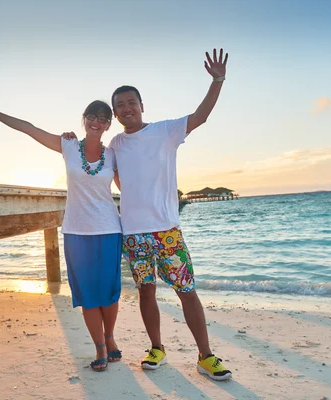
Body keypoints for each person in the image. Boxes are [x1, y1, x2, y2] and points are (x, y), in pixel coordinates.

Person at [109, 48, 231, 380]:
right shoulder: (115, 145)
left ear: (141, 105)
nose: (126, 109)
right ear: (115, 114)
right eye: (119, 106)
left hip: (167, 231)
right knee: (145, 291)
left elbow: (201, 115)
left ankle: (205, 356)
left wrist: (218, 80)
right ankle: (157, 348)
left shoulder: (166, 131)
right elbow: (110, 173)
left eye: (131, 102)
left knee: (186, 290)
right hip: (133, 233)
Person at [0, 93, 123, 372]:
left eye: (103, 119)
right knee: (88, 293)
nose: (97, 122)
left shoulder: (113, 155)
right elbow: (30, 129)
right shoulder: (68, 145)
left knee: (109, 292)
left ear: (108, 125)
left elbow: (128, 187)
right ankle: (100, 348)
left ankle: (110, 336)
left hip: (109, 230)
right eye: (92, 116)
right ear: (84, 120)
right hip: (76, 231)